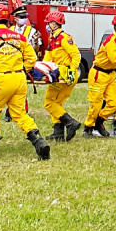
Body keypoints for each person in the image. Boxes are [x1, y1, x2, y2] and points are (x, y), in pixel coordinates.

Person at [0, 3, 50, 160]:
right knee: (19, 113)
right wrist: (23, 70)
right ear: (8, 20)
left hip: (0, 79)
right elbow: (31, 58)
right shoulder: (19, 38)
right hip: (19, 78)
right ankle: (39, 141)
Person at [83, 13, 116, 138]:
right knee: (96, 103)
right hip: (99, 73)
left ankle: (99, 121)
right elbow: (115, 59)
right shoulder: (111, 41)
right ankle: (88, 127)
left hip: (111, 74)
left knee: (114, 102)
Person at [41, 11, 82, 142]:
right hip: (58, 75)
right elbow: (48, 59)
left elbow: (76, 55)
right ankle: (58, 132)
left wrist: (72, 70)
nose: (47, 26)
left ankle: (70, 123)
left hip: (64, 75)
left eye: (49, 23)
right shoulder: (53, 39)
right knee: (56, 102)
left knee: (49, 102)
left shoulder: (64, 38)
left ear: (54, 24)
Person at [2, 0, 42, 121]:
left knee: (20, 89)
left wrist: (35, 42)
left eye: (25, 17)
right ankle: (11, 111)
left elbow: (37, 50)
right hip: (11, 62)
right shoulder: (10, 30)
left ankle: (18, 111)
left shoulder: (32, 31)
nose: (24, 19)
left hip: (25, 63)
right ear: (15, 18)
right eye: (21, 17)